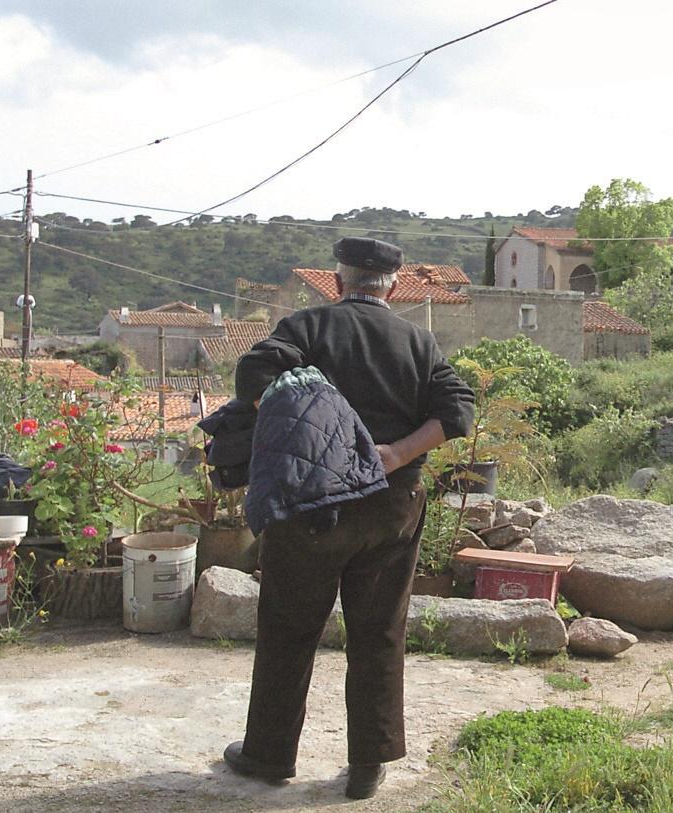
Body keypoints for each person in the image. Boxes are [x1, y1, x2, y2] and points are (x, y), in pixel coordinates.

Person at [223, 237, 475, 799]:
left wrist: (308, 430)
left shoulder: (308, 327)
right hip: (392, 504)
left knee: (289, 627)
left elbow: (255, 376)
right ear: (393, 287)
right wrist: (396, 454)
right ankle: (368, 766)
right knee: (380, 631)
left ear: (337, 283)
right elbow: (456, 411)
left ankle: (268, 756)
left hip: (313, 504)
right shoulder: (418, 341)